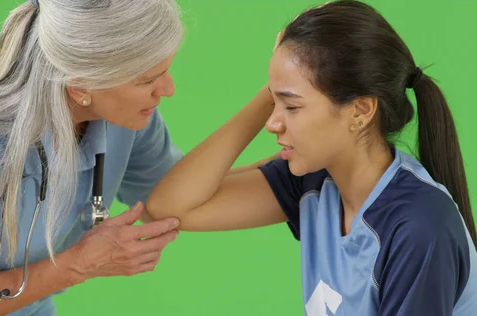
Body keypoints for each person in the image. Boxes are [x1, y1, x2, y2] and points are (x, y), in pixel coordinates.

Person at [0, 0, 272, 315]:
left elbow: (182, 199)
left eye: (164, 71)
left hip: (22, 305)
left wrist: (274, 99)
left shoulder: (121, 119)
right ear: (81, 84)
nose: (167, 89)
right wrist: (79, 262)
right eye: (147, 79)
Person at [145, 1, 477, 315]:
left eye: (291, 106)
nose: (272, 123)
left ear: (360, 111)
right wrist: (275, 89)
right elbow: (170, 208)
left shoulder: (418, 226)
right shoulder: (313, 181)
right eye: (274, 103)